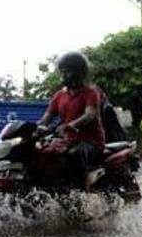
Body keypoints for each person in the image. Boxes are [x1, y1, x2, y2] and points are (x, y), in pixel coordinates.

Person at [37, 52, 105, 190]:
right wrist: (34, 128)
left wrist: (69, 125)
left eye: (66, 71)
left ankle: (79, 193)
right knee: (44, 153)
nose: (63, 75)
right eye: (61, 72)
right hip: (68, 140)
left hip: (90, 142)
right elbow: (46, 117)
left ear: (78, 72)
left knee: (74, 154)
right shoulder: (59, 95)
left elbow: (89, 115)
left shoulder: (90, 92)